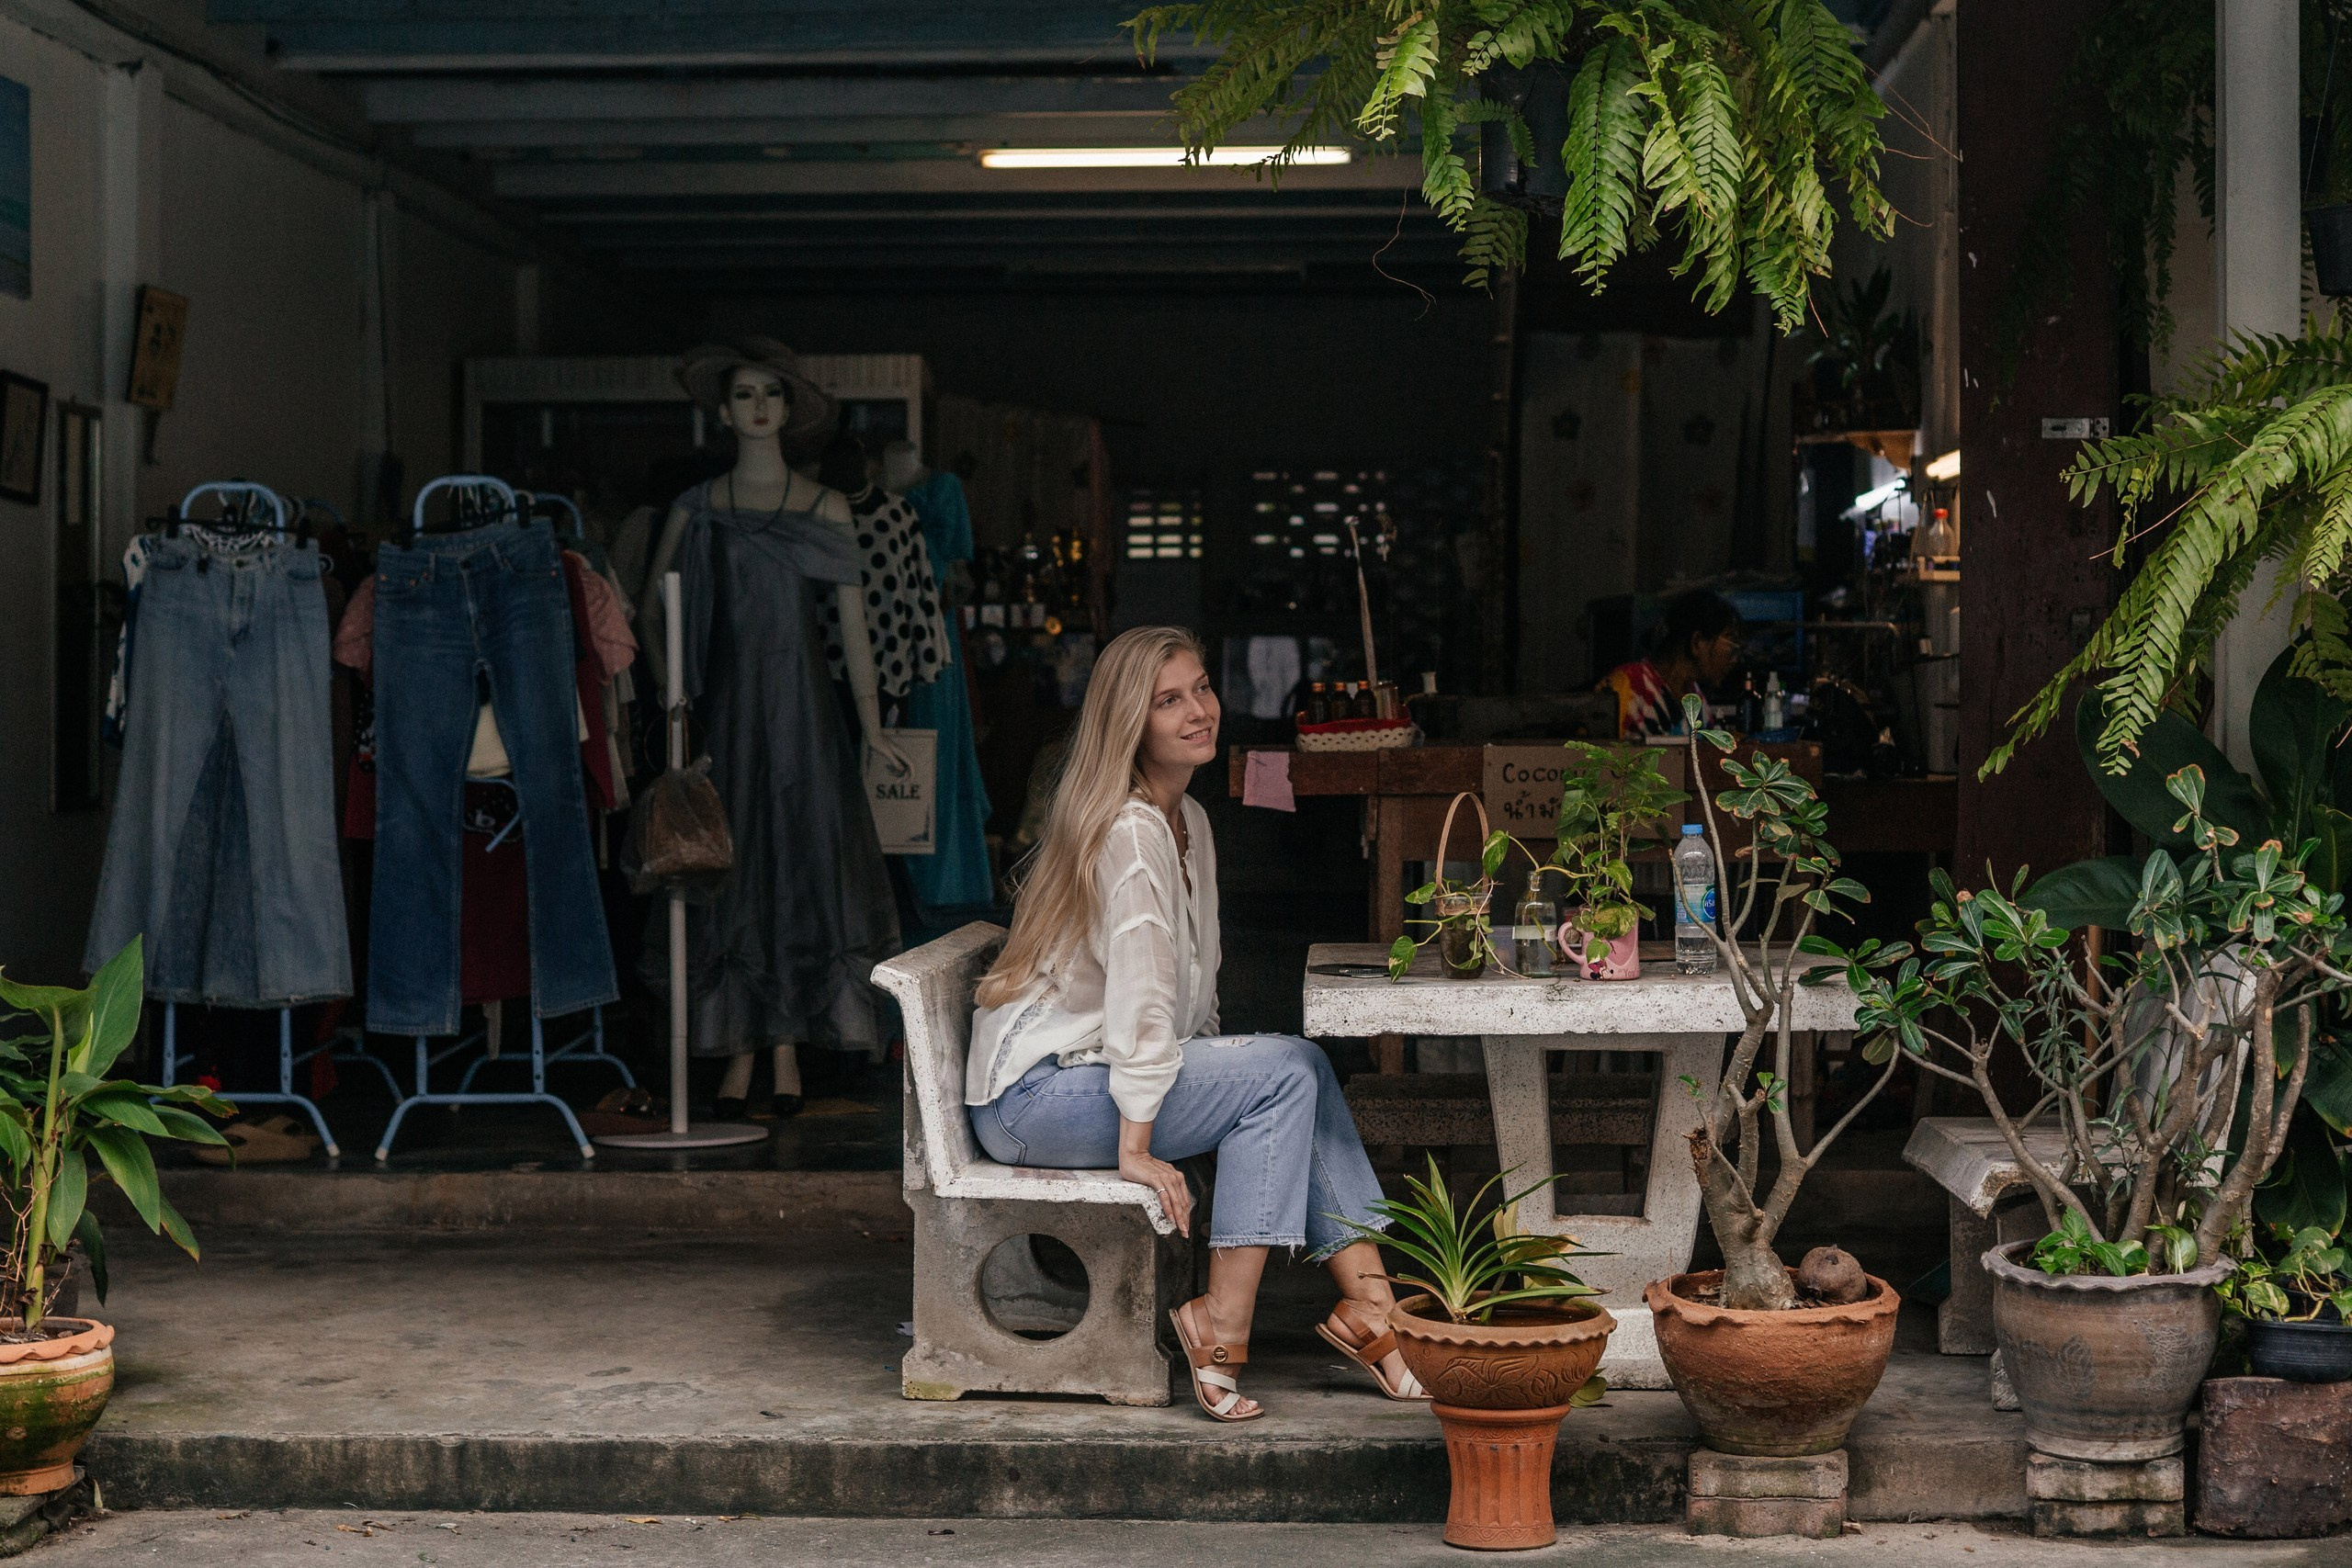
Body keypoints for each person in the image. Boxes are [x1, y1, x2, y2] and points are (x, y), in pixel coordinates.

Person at [966, 626, 1419, 1423]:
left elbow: (1193, 991)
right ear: (1128, 724)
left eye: (1202, 688)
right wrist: (1137, 1148)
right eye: (1168, 700)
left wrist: (1223, 1073)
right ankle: (1225, 1328)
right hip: (1036, 1100)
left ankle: (1374, 1311)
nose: (1198, 710)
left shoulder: (1190, 823)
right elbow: (1141, 998)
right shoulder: (1130, 831)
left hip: (1096, 1078)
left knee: (1294, 1068)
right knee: (1285, 1071)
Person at [1600, 590, 1742, 739]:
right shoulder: (1629, 685)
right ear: (1697, 643)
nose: (1734, 660)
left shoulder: (1695, 696)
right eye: (1731, 647)